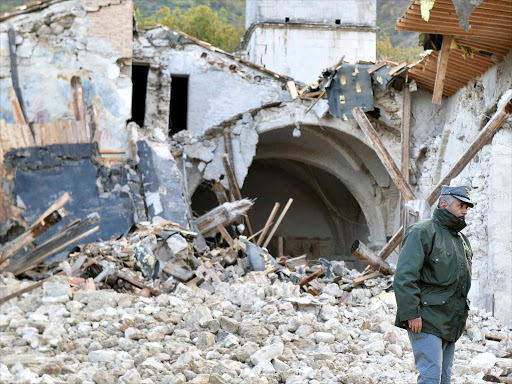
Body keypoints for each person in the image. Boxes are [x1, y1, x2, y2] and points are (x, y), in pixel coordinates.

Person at [394, 185, 474, 384]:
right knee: (430, 378)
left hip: (451, 321)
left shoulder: (461, 240)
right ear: (444, 203)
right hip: (426, 319)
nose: (465, 211)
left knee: (444, 379)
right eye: (461, 205)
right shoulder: (422, 231)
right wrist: (411, 312)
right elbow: (404, 276)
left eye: (467, 207)